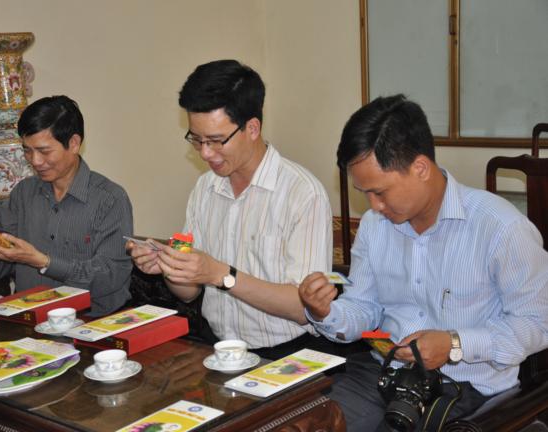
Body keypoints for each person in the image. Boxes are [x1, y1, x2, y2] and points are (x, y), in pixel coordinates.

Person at [299, 94, 548, 431]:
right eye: (364, 193)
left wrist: (455, 344)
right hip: (384, 374)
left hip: (466, 386)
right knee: (308, 422)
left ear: (420, 168)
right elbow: (364, 309)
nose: (373, 206)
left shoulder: (501, 228)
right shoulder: (375, 226)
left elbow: (538, 323)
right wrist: (325, 312)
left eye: (380, 192)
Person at [128, 59, 342, 359]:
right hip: (216, 347)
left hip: (286, 354)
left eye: (216, 141)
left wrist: (221, 275)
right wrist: (169, 267)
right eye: (197, 140)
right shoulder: (205, 188)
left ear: (252, 128)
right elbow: (189, 292)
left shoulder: (302, 194)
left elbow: (303, 308)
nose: (205, 153)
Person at [0, 95, 133, 316]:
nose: (35, 161)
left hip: (90, 322)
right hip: (27, 318)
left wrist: (44, 262)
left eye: (44, 151)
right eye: (27, 150)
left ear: (74, 143)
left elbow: (110, 278)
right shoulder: (23, 194)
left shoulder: (109, 199)